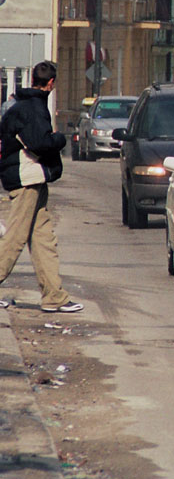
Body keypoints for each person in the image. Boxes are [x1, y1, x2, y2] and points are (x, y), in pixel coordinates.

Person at [0, 61, 82, 313]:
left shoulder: (23, 104)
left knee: (44, 240)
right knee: (15, 238)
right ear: (51, 83)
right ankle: (53, 296)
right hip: (27, 180)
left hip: (33, 179)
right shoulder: (33, 108)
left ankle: (54, 296)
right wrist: (59, 138)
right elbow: (38, 142)